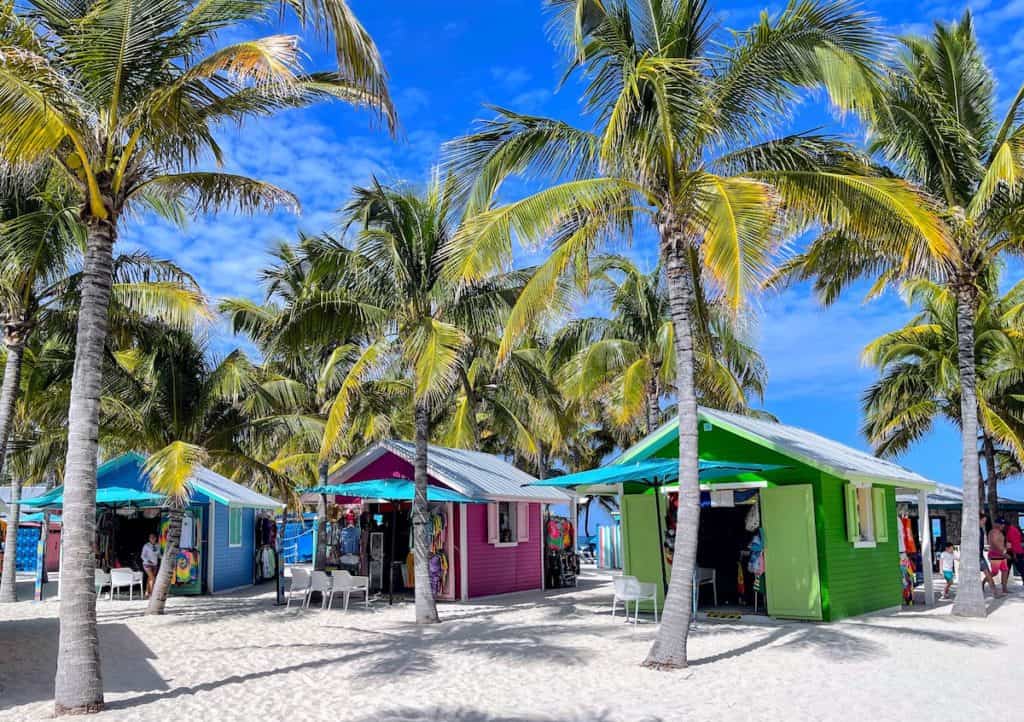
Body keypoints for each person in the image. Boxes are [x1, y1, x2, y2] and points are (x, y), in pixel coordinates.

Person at [989, 518, 1010, 596]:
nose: (1003, 525)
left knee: (1005, 571)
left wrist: (1006, 547)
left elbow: (1001, 544)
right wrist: (1004, 552)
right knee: (994, 572)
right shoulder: (993, 532)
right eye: (1001, 524)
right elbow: (995, 543)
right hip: (995, 555)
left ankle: (1004, 588)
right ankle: (984, 581)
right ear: (996, 524)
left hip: (1002, 555)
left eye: (1003, 524)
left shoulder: (1001, 532)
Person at [979, 513, 998, 597]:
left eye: (985, 521)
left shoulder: (981, 530)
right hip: (976, 557)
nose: (984, 522)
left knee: (988, 574)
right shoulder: (975, 530)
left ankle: (995, 593)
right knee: (988, 574)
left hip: (980, 556)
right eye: (983, 520)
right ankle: (994, 592)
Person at [1005, 517, 1024, 586]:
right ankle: (1004, 584)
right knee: (1008, 568)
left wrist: (1014, 555)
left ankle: (1004, 583)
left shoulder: (1011, 531)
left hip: (1015, 552)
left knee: (1020, 568)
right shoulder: (1012, 529)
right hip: (1015, 551)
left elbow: (1014, 544)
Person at [141, 532, 161, 597]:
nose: (152, 539)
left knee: (150, 578)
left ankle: (147, 592)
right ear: (149, 539)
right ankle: (152, 593)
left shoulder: (158, 545)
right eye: (151, 537)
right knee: (153, 578)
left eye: (153, 537)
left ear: (156, 538)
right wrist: (147, 560)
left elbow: (158, 555)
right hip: (147, 564)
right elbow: (142, 556)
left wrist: (163, 557)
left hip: (155, 564)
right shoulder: (146, 546)